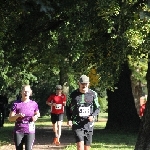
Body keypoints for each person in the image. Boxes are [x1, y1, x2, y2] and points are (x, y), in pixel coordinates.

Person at [66, 75, 100, 150]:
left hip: (88, 124)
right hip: (77, 123)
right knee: (80, 146)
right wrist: (69, 119)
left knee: (87, 148)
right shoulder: (73, 95)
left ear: (89, 84)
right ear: (79, 83)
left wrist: (93, 116)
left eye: (86, 84)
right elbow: (67, 107)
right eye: (82, 84)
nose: (84, 85)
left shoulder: (93, 94)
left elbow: (97, 108)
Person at [8, 85, 40, 150]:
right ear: (21, 92)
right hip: (19, 130)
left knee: (28, 149)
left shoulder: (34, 104)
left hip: (30, 129)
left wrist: (35, 117)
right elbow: (10, 118)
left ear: (30, 93)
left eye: (27, 91)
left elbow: (38, 113)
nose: (26, 93)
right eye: (24, 91)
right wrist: (17, 116)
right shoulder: (16, 104)